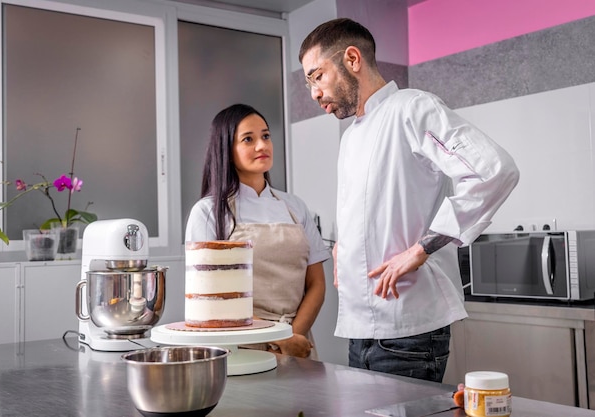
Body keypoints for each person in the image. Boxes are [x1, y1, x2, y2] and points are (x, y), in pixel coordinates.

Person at [299, 18, 519, 381]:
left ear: (352, 59)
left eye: (317, 76)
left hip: (409, 335)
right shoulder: (351, 137)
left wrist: (420, 249)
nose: (314, 93)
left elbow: (494, 170)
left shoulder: (412, 108)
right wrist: (344, 247)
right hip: (359, 333)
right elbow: (376, 212)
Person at [185, 103, 330, 359]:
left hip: (299, 345)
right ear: (227, 151)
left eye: (265, 136)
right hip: (241, 346)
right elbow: (210, 296)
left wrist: (294, 336)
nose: (262, 145)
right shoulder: (208, 212)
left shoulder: (295, 206)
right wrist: (279, 339)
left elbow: (316, 283)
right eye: (248, 139)